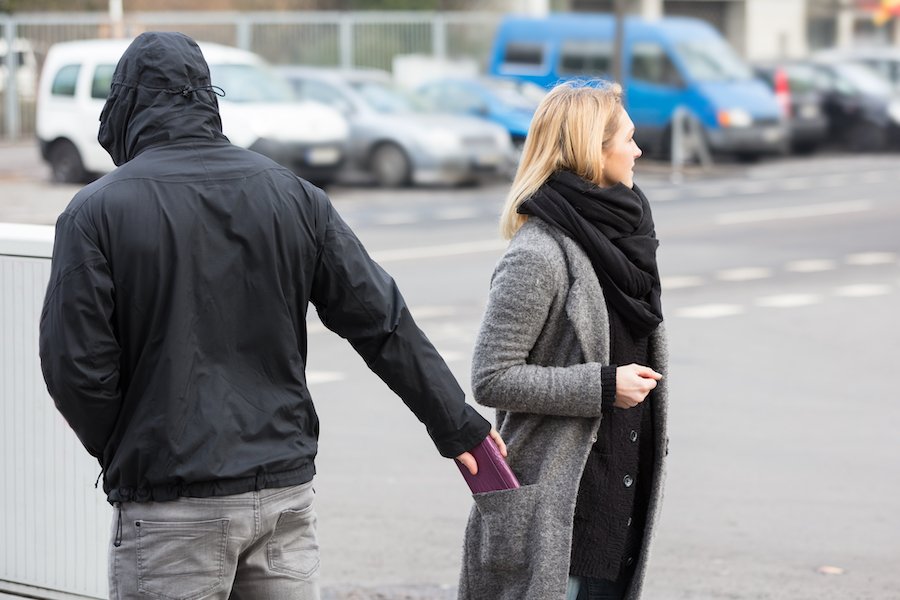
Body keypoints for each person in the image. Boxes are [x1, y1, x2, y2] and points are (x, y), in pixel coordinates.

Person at [38, 31, 503, 600]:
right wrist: (456, 423)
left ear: (126, 104)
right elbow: (381, 320)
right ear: (207, 97)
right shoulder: (294, 196)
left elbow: (75, 368)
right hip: (281, 496)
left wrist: (134, 446)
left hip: (169, 508)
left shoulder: (94, 212)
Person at [457, 80, 669, 600]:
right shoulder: (539, 253)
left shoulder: (628, 243)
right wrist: (602, 386)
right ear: (591, 150)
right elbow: (492, 376)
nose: (638, 151)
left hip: (620, 502)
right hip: (561, 511)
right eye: (628, 139)